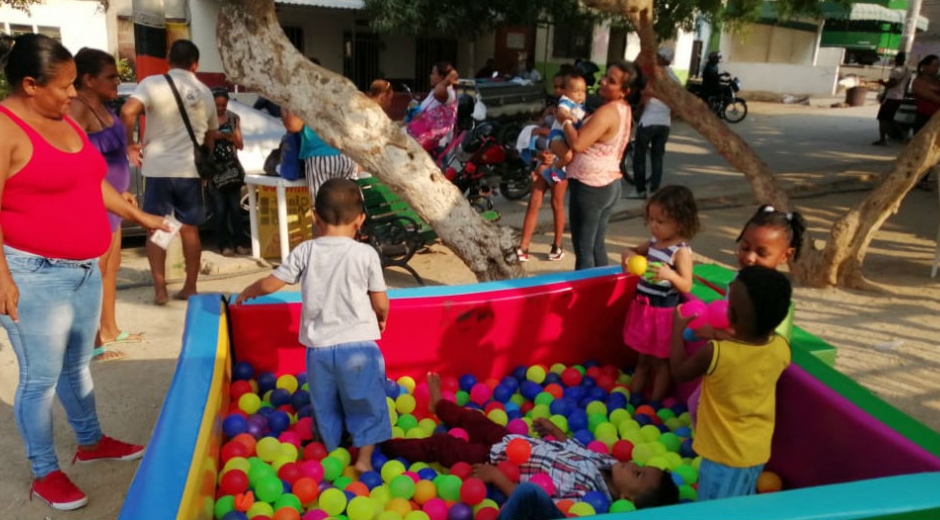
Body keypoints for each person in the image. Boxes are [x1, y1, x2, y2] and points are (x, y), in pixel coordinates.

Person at [0, 33, 169, 511]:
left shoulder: (65, 122)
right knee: (40, 379)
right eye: (64, 86)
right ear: (30, 85)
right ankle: (43, 471)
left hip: (82, 270)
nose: (73, 94)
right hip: (32, 274)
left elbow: (93, 183)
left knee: (78, 365)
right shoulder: (6, 128)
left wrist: (141, 218)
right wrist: (2, 278)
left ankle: (91, 442)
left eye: (76, 83)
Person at [236, 178, 391, 472]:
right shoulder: (366, 254)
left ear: (315, 218)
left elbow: (271, 283)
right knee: (367, 401)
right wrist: (382, 316)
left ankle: (332, 455)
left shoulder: (305, 250)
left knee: (325, 404)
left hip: (319, 351)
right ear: (360, 220)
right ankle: (364, 460)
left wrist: (248, 291)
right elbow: (380, 300)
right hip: (359, 347)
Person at [382, 373, 679, 511]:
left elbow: (539, 502)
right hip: (512, 440)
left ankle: (384, 444)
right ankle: (440, 407)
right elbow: (574, 448)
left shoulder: (589, 498)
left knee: (443, 447)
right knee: (474, 419)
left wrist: (497, 476)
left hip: (497, 460)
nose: (631, 464)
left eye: (637, 474)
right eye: (639, 465)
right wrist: (554, 430)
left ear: (627, 499)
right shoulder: (606, 462)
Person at [669, 266, 792, 501]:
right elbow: (747, 352)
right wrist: (716, 334)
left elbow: (679, 372)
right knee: (739, 501)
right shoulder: (780, 348)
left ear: (731, 315)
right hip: (754, 449)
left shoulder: (715, 353)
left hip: (724, 457)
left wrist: (677, 330)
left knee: (716, 511)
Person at [685, 204, 806, 426]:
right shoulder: (739, 282)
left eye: (761, 252)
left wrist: (712, 333)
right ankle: (700, 445)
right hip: (725, 365)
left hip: (744, 379)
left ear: (784, 256)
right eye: (744, 247)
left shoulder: (773, 298)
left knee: (710, 412)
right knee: (696, 405)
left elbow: (760, 346)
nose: (749, 257)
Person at [121, 39, 219, 305]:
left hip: (158, 169)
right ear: (195, 64)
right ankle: (190, 287)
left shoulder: (152, 84)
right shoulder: (205, 92)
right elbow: (211, 135)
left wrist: (129, 143)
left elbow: (128, 111)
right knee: (189, 230)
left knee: (157, 228)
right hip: (190, 171)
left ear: (169, 59)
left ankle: (160, 290)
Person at [69, 48, 144, 361]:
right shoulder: (77, 108)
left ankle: (110, 328)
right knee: (94, 272)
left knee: (111, 267)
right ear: (88, 79)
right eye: (110, 77)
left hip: (115, 199)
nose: (117, 81)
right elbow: (74, 155)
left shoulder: (103, 107)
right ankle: (90, 341)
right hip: (94, 200)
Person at [558, 60, 639, 270]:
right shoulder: (623, 108)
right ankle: (602, 292)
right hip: (608, 183)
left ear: (624, 91)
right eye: (605, 76)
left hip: (591, 186)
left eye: (611, 81)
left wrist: (564, 120)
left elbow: (577, 143)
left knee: (584, 250)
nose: (602, 81)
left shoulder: (609, 111)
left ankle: (586, 298)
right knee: (595, 246)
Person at [621, 186, 699, 401]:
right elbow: (634, 251)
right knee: (643, 359)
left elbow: (686, 285)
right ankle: (633, 400)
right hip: (644, 308)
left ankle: (653, 404)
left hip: (663, 314)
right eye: (651, 220)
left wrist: (670, 275)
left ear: (681, 222)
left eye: (660, 222)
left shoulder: (680, 251)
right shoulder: (654, 243)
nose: (653, 226)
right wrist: (627, 254)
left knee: (661, 362)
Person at [516, 73, 571, 262]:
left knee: (556, 203)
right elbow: (539, 130)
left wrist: (553, 158)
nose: (556, 90)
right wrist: (540, 155)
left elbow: (568, 138)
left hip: (559, 166)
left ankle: (557, 246)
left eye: (560, 87)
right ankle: (523, 246)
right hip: (544, 161)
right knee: (533, 203)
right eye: (554, 86)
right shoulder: (551, 109)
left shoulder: (569, 113)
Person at [631, 47, 680, 199]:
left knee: (639, 156)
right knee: (657, 157)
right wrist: (669, 116)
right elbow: (677, 105)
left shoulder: (654, 76)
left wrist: (637, 113)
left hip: (648, 122)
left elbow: (644, 99)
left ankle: (640, 190)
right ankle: (654, 190)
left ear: (661, 58)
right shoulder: (674, 79)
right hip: (664, 123)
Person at [282, 110, 358, 204]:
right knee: (347, 204)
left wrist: (283, 107)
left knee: (321, 204)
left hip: (319, 155)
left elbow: (293, 125)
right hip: (347, 154)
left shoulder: (306, 94)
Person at [208, 87, 249, 257]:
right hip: (214, 170)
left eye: (223, 105)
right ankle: (224, 244)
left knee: (235, 209)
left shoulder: (233, 118)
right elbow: (206, 147)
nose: (220, 109)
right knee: (219, 209)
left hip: (231, 168)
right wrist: (213, 135)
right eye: (217, 105)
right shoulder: (206, 119)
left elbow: (240, 145)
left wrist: (229, 136)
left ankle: (239, 242)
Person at [406, 62, 459, 151]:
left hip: (436, 146)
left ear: (442, 77)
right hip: (423, 141)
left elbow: (438, 93)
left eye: (433, 74)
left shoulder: (449, 94)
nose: (430, 76)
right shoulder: (433, 91)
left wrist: (447, 80)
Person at [910, 54, 940, 191]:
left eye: (937, 66)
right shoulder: (918, 82)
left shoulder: (937, 81)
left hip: (936, 119)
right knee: (923, 150)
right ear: (925, 67)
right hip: (924, 118)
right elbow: (930, 97)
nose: (936, 69)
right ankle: (920, 179)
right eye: (934, 66)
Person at [873, 52, 910, 146]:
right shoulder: (907, 71)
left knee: (883, 119)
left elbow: (892, 84)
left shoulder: (895, 71)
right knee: (891, 118)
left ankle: (882, 139)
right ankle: (904, 135)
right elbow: (906, 85)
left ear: (896, 59)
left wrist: (882, 83)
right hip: (899, 97)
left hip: (891, 97)